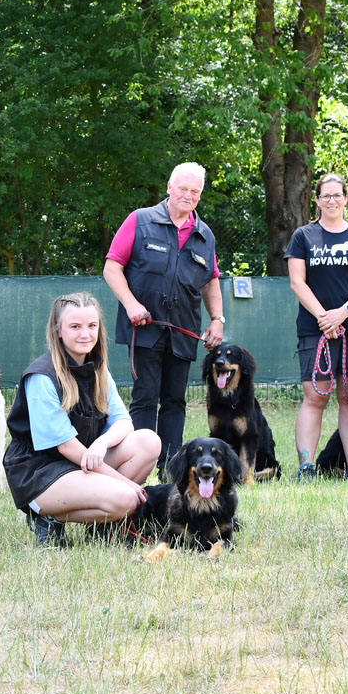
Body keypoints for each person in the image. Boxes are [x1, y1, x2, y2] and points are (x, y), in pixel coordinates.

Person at [3, 292, 160, 547]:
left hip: (81, 462)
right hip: (40, 473)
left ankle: (106, 528)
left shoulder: (98, 368)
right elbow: (66, 447)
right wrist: (128, 484)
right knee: (126, 498)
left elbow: (124, 422)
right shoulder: (42, 377)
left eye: (92, 326)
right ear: (58, 331)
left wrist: (101, 444)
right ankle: (47, 516)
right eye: (75, 326)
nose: (85, 334)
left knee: (148, 441)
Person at [103, 162, 223, 479]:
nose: (188, 195)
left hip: (183, 331)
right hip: (144, 330)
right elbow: (112, 267)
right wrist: (131, 305)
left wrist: (217, 319)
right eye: (183, 188)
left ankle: (171, 472)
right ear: (169, 186)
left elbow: (211, 281)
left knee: (175, 401)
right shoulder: (140, 220)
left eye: (195, 191)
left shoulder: (204, 235)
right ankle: (139, 467)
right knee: (145, 398)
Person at [285, 174, 348, 482]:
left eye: (337, 195)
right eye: (325, 196)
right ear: (317, 200)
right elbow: (297, 281)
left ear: (346, 198)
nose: (332, 201)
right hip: (315, 330)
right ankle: (306, 467)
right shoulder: (303, 236)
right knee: (315, 397)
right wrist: (324, 318)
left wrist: (343, 313)